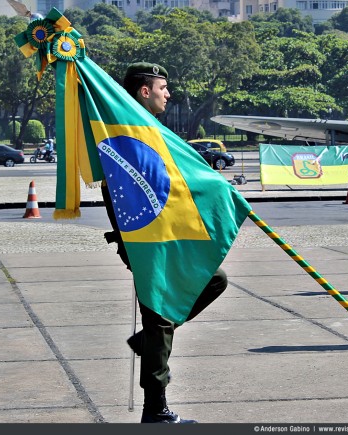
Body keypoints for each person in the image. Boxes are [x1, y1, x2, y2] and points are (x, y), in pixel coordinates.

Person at [102, 62, 228, 424]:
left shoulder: (150, 130)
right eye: (163, 87)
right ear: (145, 91)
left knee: (213, 280)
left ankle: (148, 344)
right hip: (145, 239)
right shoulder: (125, 131)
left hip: (166, 236)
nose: (168, 94)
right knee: (159, 319)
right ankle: (154, 410)